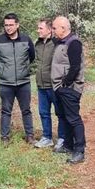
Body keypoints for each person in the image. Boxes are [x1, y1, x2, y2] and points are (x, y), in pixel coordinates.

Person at [0, 13, 36, 146]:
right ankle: (5, 137)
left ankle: (30, 135)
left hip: (23, 82)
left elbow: (31, 56)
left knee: (26, 109)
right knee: (5, 111)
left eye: (11, 25)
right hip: (6, 83)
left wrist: (23, 70)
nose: (8, 28)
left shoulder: (26, 40)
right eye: (6, 25)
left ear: (17, 25)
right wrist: (3, 71)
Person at [51, 16, 86, 164]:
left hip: (69, 89)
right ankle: (68, 146)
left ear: (63, 29)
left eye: (54, 28)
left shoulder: (74, 43)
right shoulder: (60, 42)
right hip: (60, 88)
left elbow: (75, 66)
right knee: (64, 117)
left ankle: (79, 151)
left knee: (74, 119)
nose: (52, 30)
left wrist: (66, 84)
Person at [33, 18, 66, 149]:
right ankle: (47, 137)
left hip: (54, 86)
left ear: (49, 29)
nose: (38, 31)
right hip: (41, 85)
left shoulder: (57, 43)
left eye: (40, 28)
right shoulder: (38, 44)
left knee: (60, 113)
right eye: (38, 28)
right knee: (43, 112)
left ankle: (62, 138)